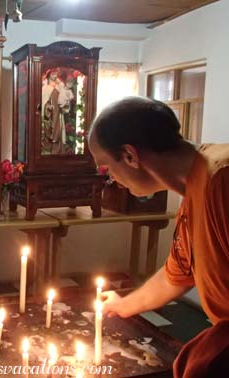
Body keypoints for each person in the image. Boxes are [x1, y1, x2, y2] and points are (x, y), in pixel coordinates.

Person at [88, 96, 229, 377]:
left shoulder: (222, 180)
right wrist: (123, 305)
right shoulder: (193, 188)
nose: (111, 180)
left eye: (107, 168)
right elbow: (175, 275)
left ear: (130, 155)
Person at [41, 67, 74, 154]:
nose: (54, 75)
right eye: (52, 73)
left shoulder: (60, 86)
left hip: (58, 113)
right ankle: (49, 150)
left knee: (59, 131)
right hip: (50, 114)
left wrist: (65, 104)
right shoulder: (45, 87)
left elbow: (65, 97)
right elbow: (43, 102)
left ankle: (58, 151)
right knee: (50, 131)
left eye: (56, 73)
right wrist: (48, 107)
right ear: (49, 74)